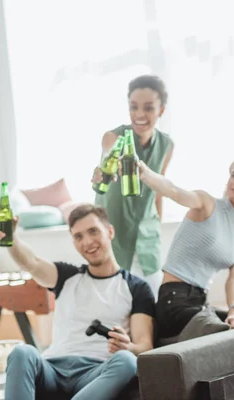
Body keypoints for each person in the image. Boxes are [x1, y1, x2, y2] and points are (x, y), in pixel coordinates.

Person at [0, 203, 155, 400]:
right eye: (78, 236)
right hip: (52, 369)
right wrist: (9, 238)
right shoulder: (66, 276)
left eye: (93, 231)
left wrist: (127, 347)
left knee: (127, 360)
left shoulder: (136, 287)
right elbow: (31, 262)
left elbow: (145, 346)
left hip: (95, 371)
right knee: (22, 352)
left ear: (110, 232)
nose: (87, 242)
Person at [135, 156, 234, 339]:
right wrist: (145, 173)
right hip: (174, 300)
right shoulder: (206, 203)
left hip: (200, 304)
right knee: (224, 333)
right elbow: (173, 191)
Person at [92, 75, 174, 298]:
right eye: (134, 107)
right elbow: (109, 156)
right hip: (114, 229)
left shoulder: (166, 144)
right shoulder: (113, 137)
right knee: (117, 300)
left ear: (161, 110)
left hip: (148, 233)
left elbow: (159, 189)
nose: (140, 114)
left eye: (148, 108)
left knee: (152, 298)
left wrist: (157, 225)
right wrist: (106, 169)